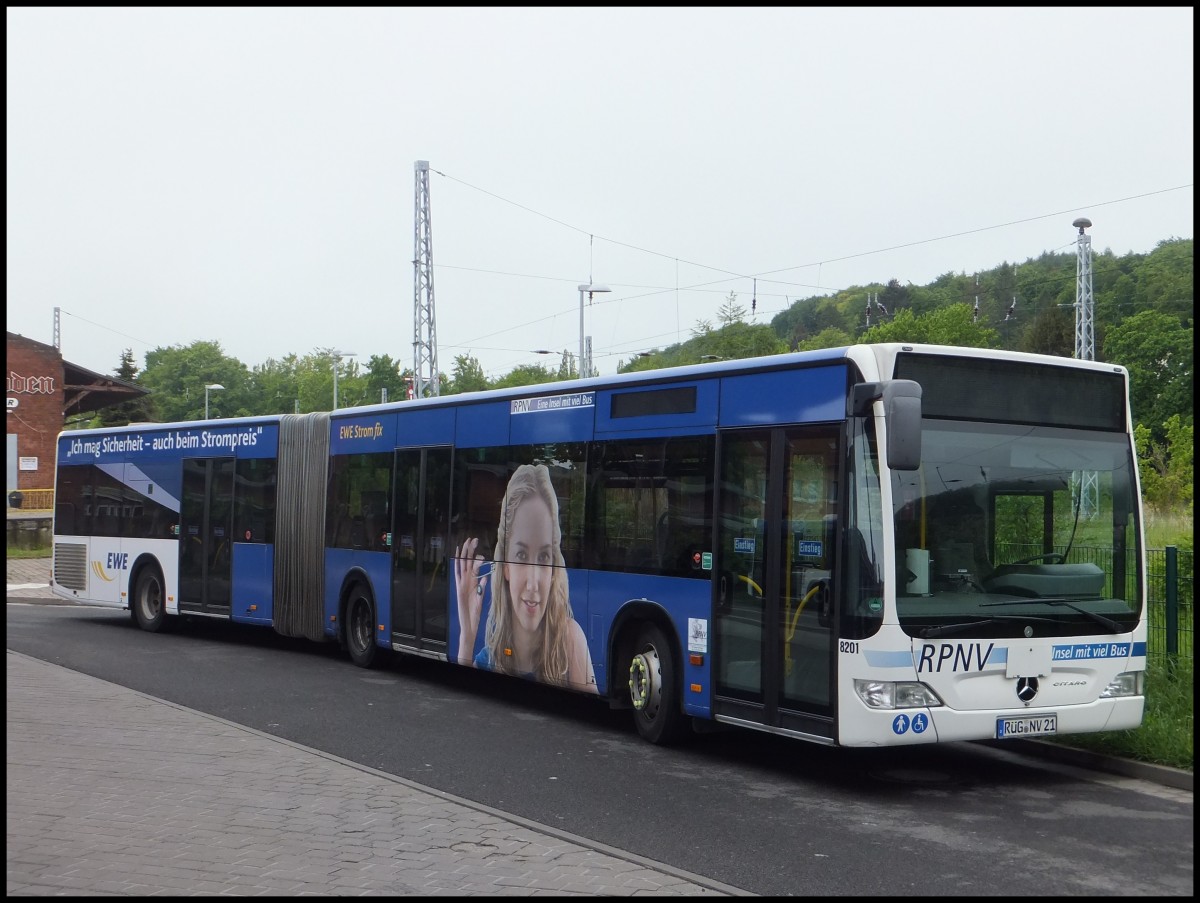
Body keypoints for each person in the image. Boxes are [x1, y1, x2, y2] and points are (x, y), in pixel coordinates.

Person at [454, 463, 597, 694]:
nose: (532, 584)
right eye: (521, 555)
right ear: (506, 566)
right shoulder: (486, 659)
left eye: (543, 557)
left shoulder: (570, 640)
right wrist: (467, 638)